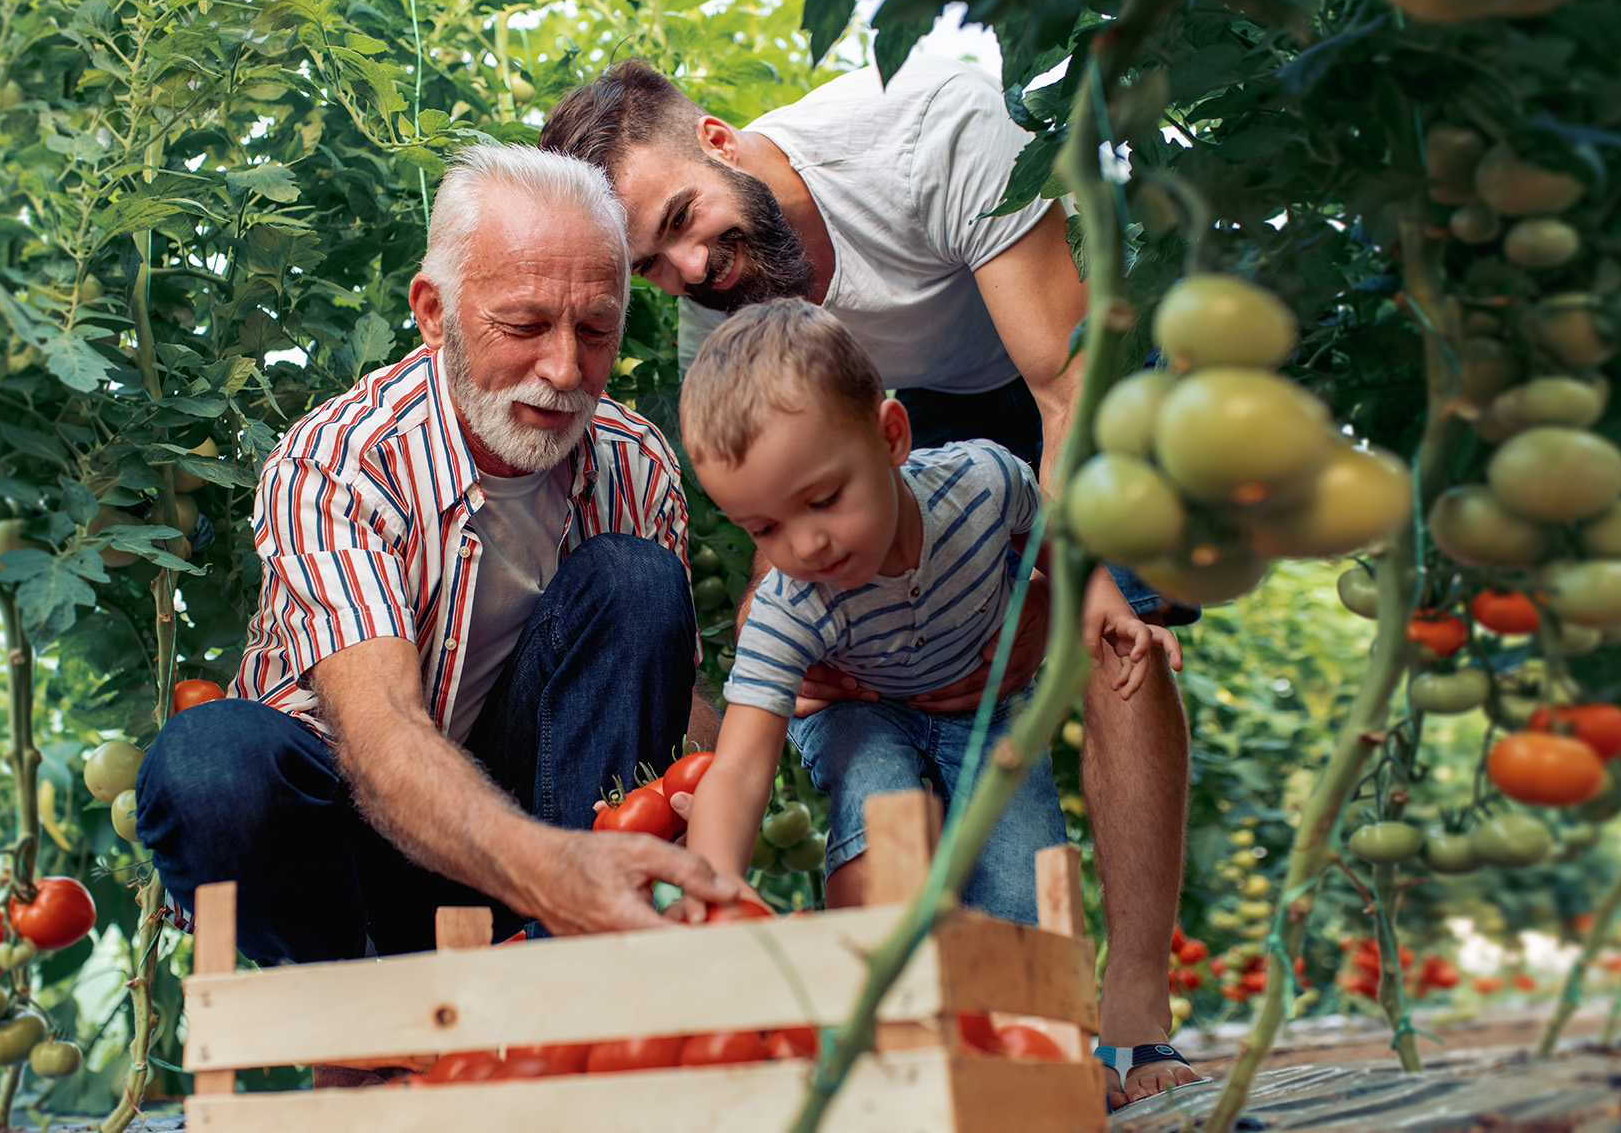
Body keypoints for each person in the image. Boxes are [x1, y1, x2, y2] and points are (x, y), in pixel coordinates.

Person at [541, 56, 1198, 1105]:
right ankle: (960, 1034)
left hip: (1056, 360)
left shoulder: (932, 132)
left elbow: (1063, 395)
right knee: (854, 660)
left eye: (680, 219)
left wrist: (1073, 598)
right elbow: (778, 522)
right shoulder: (726, 305)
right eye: (651, 267)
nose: (691, 267)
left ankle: (1135, 1013)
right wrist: (776, 682)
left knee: (1117, 633)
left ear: (715, 138)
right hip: (884, 416)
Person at [134, 145, 738, 1014]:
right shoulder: (340, 462)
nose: (566, 371)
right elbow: (380, 740)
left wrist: (735, 757)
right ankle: (352, 1025)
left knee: (638, 582)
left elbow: (664, 704)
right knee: (208, 766)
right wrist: (557, 870)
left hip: (539, 843)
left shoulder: (634, 463)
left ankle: (570, 988)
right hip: (353, 846)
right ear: (434, 311)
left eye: (597, 329)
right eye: (525, 326)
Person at [675, 299, 1171, 927]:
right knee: (879, 803)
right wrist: (713, 884)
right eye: (765, 527)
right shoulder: (789, 608)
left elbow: (1054, 538)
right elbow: (741, 770)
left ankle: (1027, 1018)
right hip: (860, 709)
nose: (805, 545)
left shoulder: (984, 482)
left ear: (891, 437)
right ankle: (870, 987)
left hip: (980, 708)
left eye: (824, 499)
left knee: (1023, 893)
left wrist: (1106, 604)